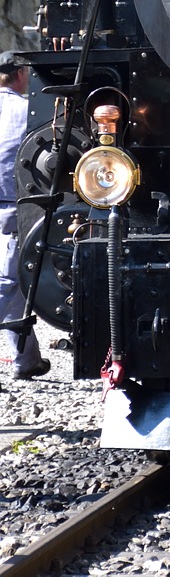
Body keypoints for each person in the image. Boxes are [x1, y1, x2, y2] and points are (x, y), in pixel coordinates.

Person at [0, 51, 50, 380]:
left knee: (14, 285)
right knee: (6, 283)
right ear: (20, 74)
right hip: (13, 206)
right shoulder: (26, 112)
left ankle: (27, 359)